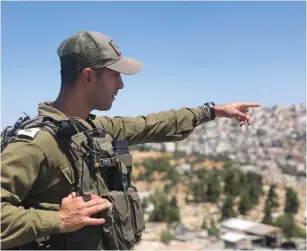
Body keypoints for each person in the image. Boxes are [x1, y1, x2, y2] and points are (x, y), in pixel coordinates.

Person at [1, 30, 260, 250]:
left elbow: (151, 124)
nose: (122, 85)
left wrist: (213, 111)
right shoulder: (37, 143)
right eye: (115, 74)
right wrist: (58, 220)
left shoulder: (91, 129)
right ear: (89, 77)